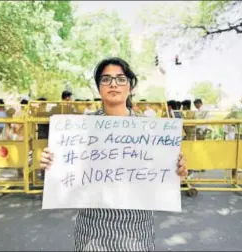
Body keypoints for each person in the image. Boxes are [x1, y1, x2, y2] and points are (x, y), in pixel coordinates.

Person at [39, 57, 188, 251]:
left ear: (130, 86)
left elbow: (165, 178)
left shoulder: (152, 130)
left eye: (120, 79)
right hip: (92, 230)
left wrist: (180, 171)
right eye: (106, 79)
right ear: (99, 87)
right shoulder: (77, 129)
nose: (113, 84)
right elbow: (67, 172)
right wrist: (51, 162)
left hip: (137, 230)